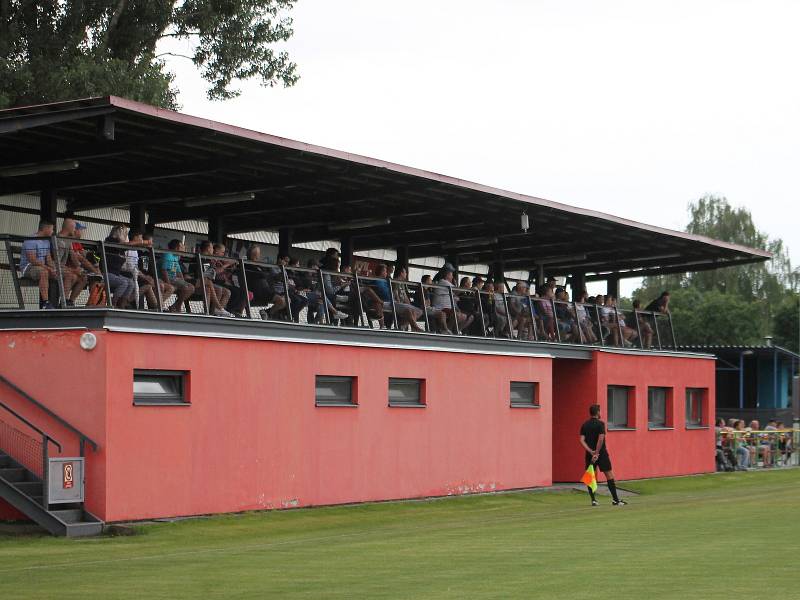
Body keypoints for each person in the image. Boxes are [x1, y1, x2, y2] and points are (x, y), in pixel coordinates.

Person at [579, 404, 627, 506]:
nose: (600, 413)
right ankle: (615, 500)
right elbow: (601, 438)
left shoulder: (585, 424)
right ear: (597, 412)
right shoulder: (601, 424)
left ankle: (593, 500)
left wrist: (590, 451)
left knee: (590, 476)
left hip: (590, 454)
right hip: (601, 453)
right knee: (609, 474)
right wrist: (596, 453)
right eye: (600, 411)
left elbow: (582, 440)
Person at [20, 220, 59, 309]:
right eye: (52, 229)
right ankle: (46, 303)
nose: (53, 232)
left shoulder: (47, 241)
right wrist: (48, 268)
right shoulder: (31, 240)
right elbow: (32, 260)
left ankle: (63, 302)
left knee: (64, 273)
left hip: (42, 267)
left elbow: (48, 259)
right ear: (46, 228)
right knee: (44, 272)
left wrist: (54, 269)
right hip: (29, 268)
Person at [159, 239, 196, 312]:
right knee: (186, 287)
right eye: (181, 247)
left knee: (191, 287)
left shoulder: (176, 257)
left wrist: (183, 281)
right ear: (176, 248)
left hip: (174, 278)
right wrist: (168, 283)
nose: (183, 249)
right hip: (166, 279)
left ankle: (174, 306)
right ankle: (177, 306)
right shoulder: (168, 255)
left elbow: (178, 271)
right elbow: (164, 271)